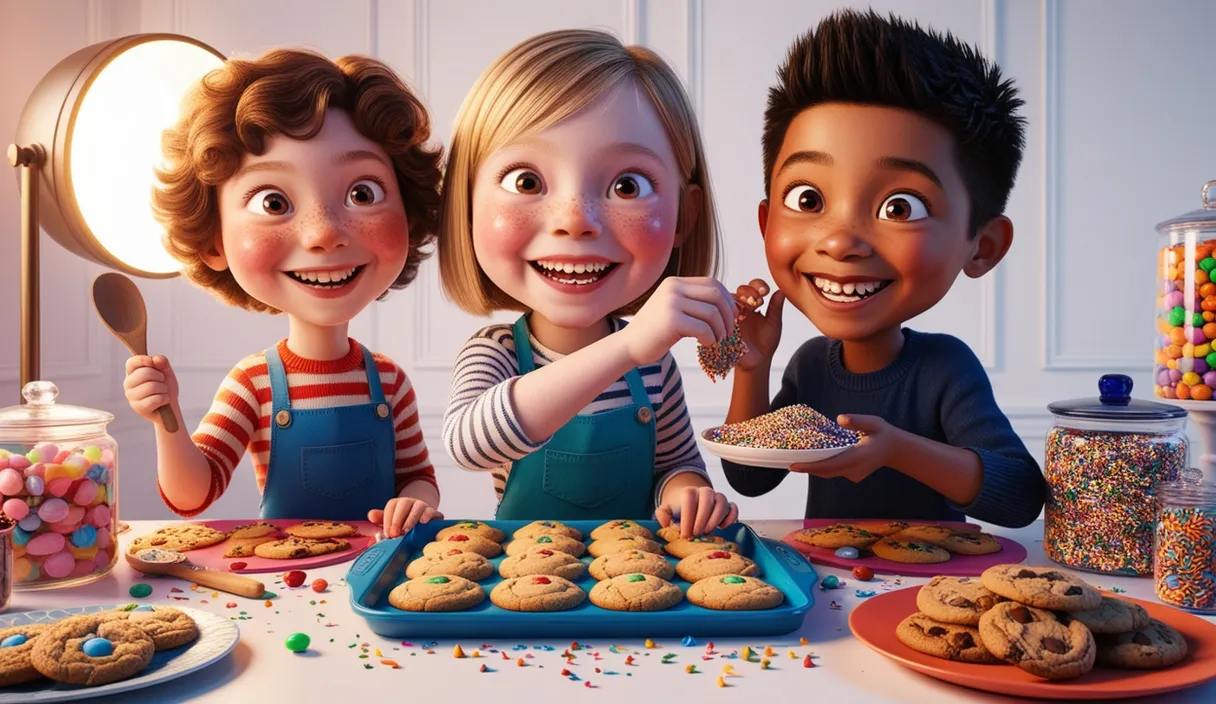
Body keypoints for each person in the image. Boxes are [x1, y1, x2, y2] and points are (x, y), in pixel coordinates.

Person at [723, 10, 1046, 527]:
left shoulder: (945, 368)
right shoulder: (809, 366)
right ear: (766, 222)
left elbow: (1019, 493)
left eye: (901, 207)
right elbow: (751, 478)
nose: (840, 241)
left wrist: (897, 450)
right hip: (828, 585)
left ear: (981, 246)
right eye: (808, 199)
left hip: (935, 593)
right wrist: (752, 367)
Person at [123, 48, 443, 537]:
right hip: (287, 576)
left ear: (410, 212)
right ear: (214, 241)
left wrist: (415, 504)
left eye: (363, 194)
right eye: (274, 201)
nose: (323, 234)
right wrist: (164, 419)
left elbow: (419, 478)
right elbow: (194, 494)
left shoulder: (390, 383)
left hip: (380, 567)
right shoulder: (254, 384)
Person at [437, 29, 738, 537]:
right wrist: (627, 346)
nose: (575, 221)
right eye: (526, 182)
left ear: (684, 216)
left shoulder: (654, 368)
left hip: (641, 584)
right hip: (524, 582)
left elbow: (675, 464)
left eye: (627, 186)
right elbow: (470, 443)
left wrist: (691, 495)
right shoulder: (496, 353)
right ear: (466, 207)